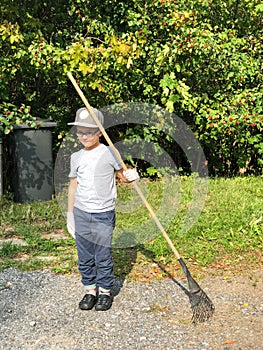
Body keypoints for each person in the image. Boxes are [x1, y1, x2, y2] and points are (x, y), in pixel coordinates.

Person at [67, 107, 139, 311]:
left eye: (89, 131)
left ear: (99, 132)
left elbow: (122, 176)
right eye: (80, 131)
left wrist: (132, 176)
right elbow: (74, 185)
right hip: (81, 212)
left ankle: (105, 292)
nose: (84, 136)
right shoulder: (76, 157)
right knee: (85, 255)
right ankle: (90, 290)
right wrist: (70, 214)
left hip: (103, 214)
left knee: (102, 255)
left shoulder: (109, 152)